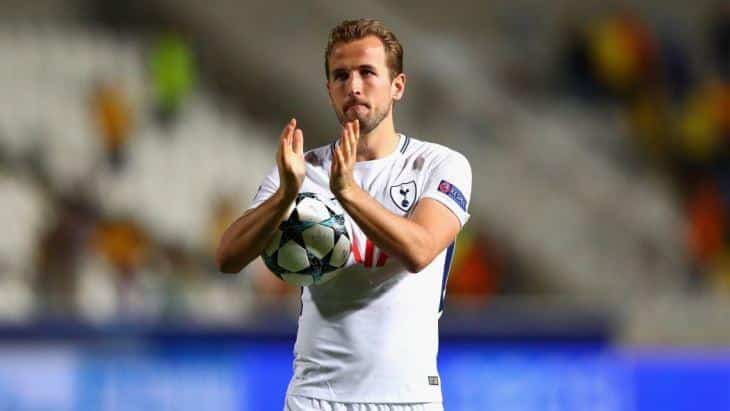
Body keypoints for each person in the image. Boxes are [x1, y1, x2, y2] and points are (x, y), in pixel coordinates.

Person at [216, 18, 472, 411]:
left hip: (408, 398)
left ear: (397, 85)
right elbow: (228, 257)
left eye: (367, 72)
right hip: (316, 396)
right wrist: (284, 196)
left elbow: (419, 250)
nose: (353, 86)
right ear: (329, 90)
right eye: (341, 76)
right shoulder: (303, 170)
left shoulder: (439, 165)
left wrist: (348, 192)